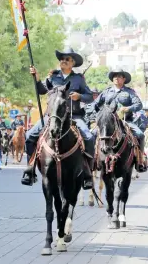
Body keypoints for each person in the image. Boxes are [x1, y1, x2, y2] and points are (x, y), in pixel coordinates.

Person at [21, 47, 95, 189]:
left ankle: (87, 173)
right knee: (29, 135)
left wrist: (79, 96)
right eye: (62, 58)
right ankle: (30, 168)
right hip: (52, 116)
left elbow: (90, 96)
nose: (63, 61)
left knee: (89, 138)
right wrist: (36, 78)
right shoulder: (53, 77)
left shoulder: (78, 80)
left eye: (67, 59)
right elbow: (43, 90)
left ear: (73, 63)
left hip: (74, 116)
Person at [92, 68, 147, 172]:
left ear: (124, 79)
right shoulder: (106, 91)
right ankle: (94, 160)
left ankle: (140, 161)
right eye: (114, 76)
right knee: (92, 134)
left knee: (140, 135)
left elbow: (139, 104)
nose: (116, 78)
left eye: (119, 76)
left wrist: (128, 108)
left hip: (125, 121)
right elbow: (95, 104)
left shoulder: (129, 92)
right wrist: (98, 114)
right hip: (108, 122)